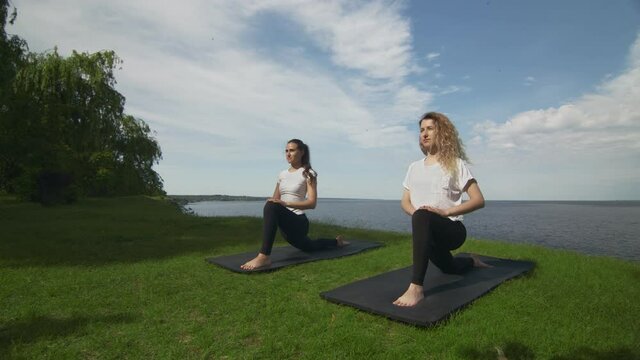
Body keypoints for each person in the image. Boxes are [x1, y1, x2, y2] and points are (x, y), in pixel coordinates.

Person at [393, 112, 491, 307]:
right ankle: (472, 261)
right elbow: (405, 201)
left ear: (442, 133)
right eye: (421, 130)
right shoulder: (413, 167)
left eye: (430, 128)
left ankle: (416, 288)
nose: (424, 133)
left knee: (423, 216)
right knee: (450, 268)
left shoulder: (455, 164)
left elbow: (479, 200)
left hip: (452, 230)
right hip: (427, 233)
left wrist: (445, 212)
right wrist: (420, 218)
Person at [241, 139, 349, 270]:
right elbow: (275, 200)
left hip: (299, 222)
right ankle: (337, 242)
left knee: (272, 206)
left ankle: (264, 256)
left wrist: (285, 203)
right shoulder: (282, 174)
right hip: (286, 226)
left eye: (292, 150)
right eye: (286, 151)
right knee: (310, 246)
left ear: (302, 152)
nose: (288, 154)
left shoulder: (308, 173)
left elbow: (312, 203)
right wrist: (274, 203)